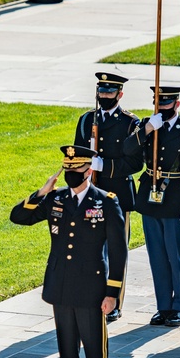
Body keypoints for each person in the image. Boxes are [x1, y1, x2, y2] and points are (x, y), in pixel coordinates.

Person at [10, 145, 128, 358]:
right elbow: (18, 218)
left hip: (91, 291)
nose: (72, 176)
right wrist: (40, 192)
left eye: (77, 171)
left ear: (89, 170)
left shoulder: (105, 202)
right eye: (68, 171)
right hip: (61, 290)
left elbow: (118, 250)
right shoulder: (57, 199)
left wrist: (112, 293)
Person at [122, 85, 180, 328]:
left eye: (167, 104)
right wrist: (148, 129)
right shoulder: (148, 126)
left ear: (177, 104)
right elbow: (127, 149)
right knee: (157, 257)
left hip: (176, 199)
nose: (162, 108)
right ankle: (163, 307)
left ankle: (179, 306)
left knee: (176, 255)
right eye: (158, 103)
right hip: (150, 200)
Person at [73, 72, 142, 323]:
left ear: (120, 94)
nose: (104, 97)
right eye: (101, 92)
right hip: (90, 197)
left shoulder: (129, 124)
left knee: (115, 251)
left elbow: (136, 162)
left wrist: (105, 166)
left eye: (109, 92)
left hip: (117, 197)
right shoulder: (86, 120)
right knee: (90, 251)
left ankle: (113, 302)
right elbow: (76, 158)